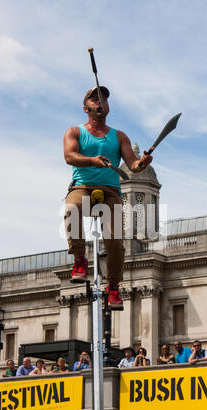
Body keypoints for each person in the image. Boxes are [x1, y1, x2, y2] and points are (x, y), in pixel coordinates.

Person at [63, 86, 153, 308]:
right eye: (95, 99)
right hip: (82, 185)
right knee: (71, 210)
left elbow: (132, 164)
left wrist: (142, 163)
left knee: (115, 241)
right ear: (86, 108)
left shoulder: (119, 136)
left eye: (103, 99)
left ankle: (113, 286)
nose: (100, 101)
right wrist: (92, 160)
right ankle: (80, 260)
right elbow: (69, 156)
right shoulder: (75, 132)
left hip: (111, 190)